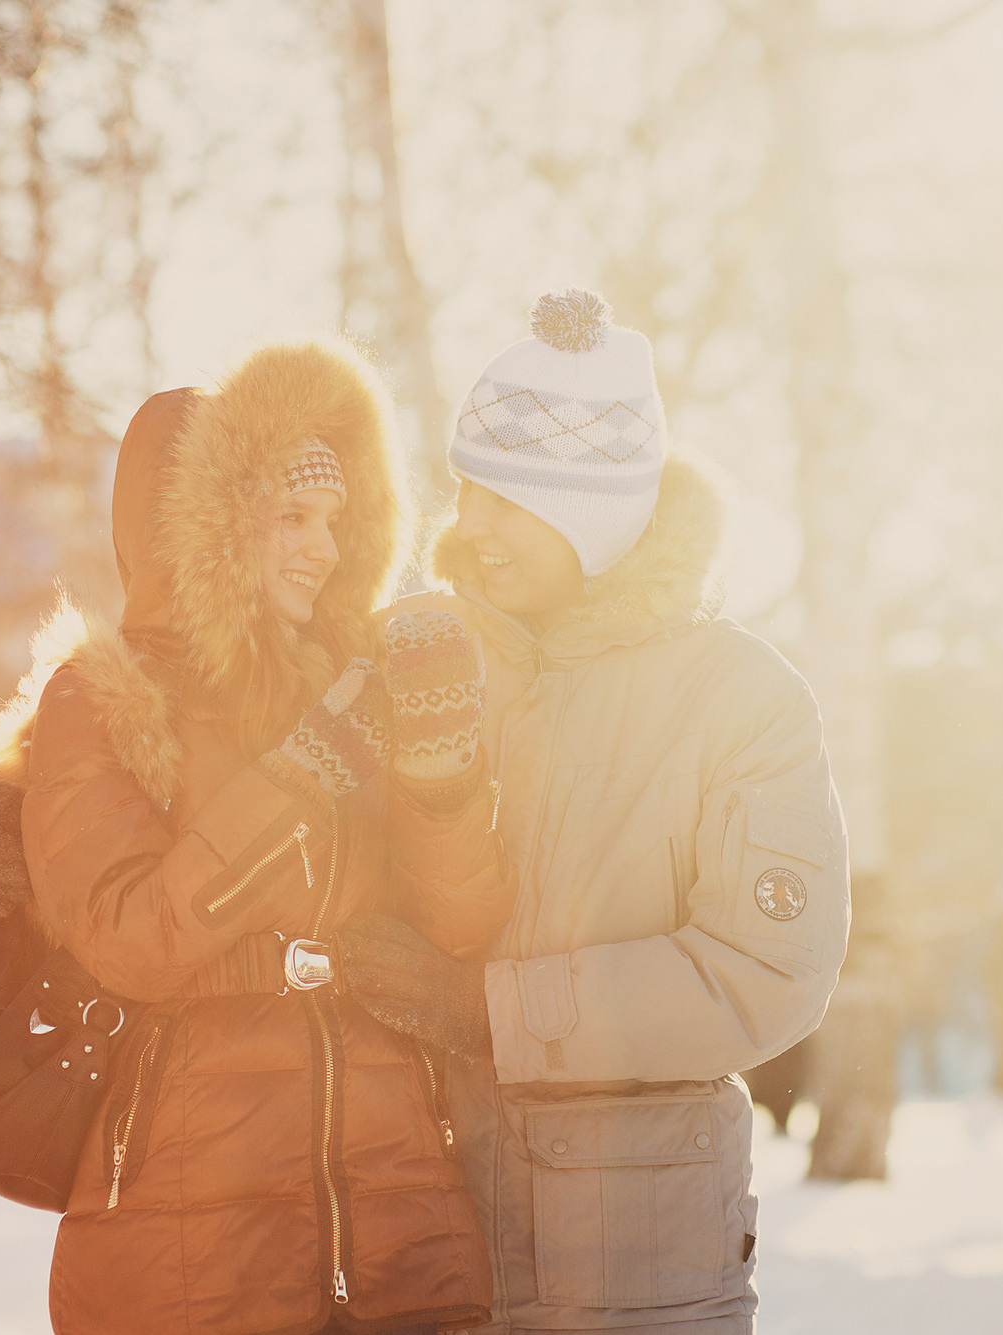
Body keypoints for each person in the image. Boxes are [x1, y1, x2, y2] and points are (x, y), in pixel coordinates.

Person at [0, 340, 514, 1335]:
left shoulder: (357, 690)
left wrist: (443, 778)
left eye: (334, 520)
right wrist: (304, 773)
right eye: (290, 517)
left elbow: (464, 924)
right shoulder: (109, 695)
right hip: (192, 1237)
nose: (324, 548)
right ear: (206, 531)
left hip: (397, 1220)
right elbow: (131, 942)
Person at [338, 290, 851, 1334]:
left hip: (632, 1268)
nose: (466, 526)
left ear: (595, 514)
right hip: (418, 1237)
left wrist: (495, 1011)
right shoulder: (418, 654)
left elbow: (766, 969)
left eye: (506, 500)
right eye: (464, 490)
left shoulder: (737, 697)